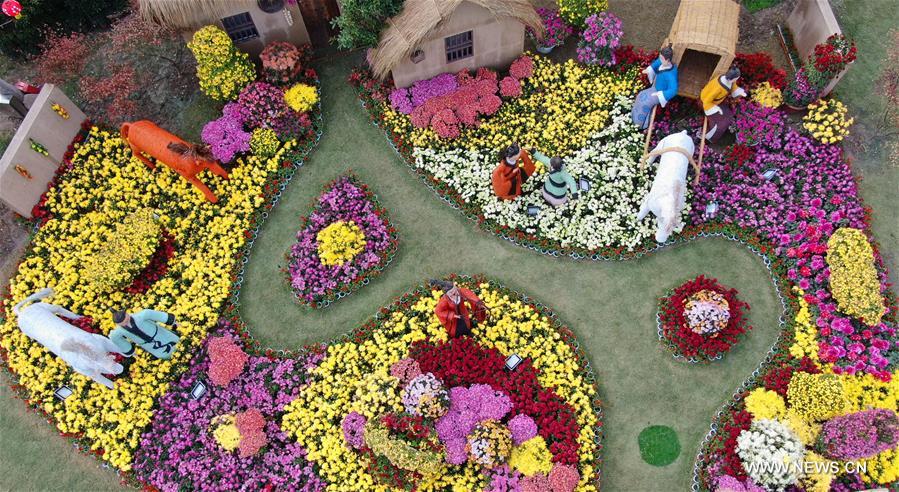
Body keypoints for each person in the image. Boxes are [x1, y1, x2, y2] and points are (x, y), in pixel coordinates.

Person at [632, 44, 679, 130]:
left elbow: (673, 90)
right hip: (655, 88)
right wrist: (649, 69)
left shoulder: (670, 75)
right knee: (640, 95)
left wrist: (661, 94)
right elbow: (657, 62)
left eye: (662, 58)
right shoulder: (663, 62)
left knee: (645, 102)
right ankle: (635, 117)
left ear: (668, 60)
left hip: (659, 92)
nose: (660, 60)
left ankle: (641, 124)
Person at [699, 67, 747, 143]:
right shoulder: (718, 88)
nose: (736, 80)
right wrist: (715, 109)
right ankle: (710, 136)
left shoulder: (729, 80)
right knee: (722, 123)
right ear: (733, 78)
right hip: (708, 104)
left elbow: (733, 85)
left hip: (718, 102)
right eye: (737, 78)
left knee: (728, 115)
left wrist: (738, 92)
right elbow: (707, 100)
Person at [109, 309, 180, 360]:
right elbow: (114, 337)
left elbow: (151, 314)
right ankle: (171, 360)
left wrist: (172, 321)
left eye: (125, 319)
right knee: (164, 354)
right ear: (118, 324)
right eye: (123, 323)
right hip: (148, 344)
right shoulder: (119, 331)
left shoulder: (140, 316)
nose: (126, 322)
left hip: (159, 333)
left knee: (177, 343)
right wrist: (129, 350)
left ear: (126, 314)